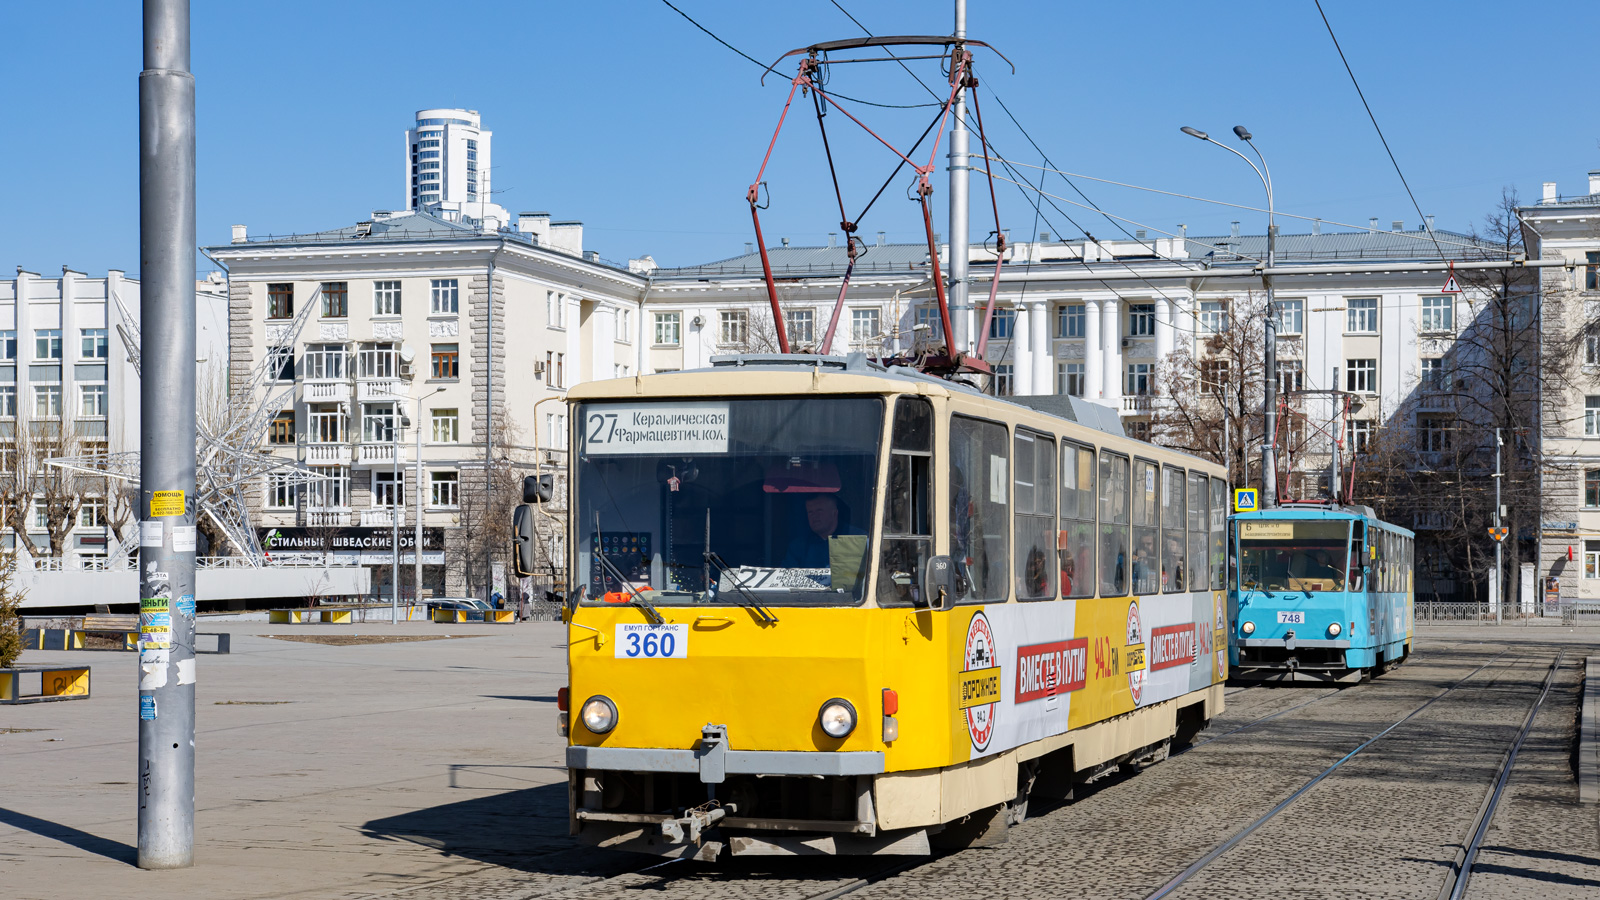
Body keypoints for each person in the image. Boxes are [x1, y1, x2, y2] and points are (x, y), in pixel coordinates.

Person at [782, 493, 852, 567]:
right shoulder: (798, 547)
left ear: (834, 513)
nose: (814, 516)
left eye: (819, 511)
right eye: (810, 512)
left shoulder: (855, 539)